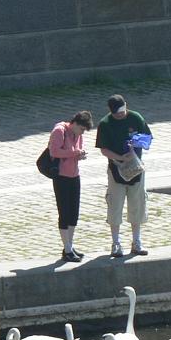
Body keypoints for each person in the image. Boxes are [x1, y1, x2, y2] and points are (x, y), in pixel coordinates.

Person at [95, 94, 152, 257]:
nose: (119, 115)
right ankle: (116, 243)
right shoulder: (105, 124)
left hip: (136, 169)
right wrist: (120, 157)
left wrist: (135, 143)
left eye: (121, 111)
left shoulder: (136, 118)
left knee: (138, 204)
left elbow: (148, 140)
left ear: (126, 105)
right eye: (115, 113)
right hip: (116, 170)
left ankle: (137, 242)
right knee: (115, 206)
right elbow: (103, 149)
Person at [48, 110, 94, 262]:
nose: (82, 132)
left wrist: (79, 155)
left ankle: (70, 245)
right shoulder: (59, 131)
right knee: (64, 211)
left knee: (74, 212)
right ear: (75, 123)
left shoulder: (78, 134)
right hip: (61, 177)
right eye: (81, 129)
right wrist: (74, 153)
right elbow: (54, 151)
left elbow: (73, 152)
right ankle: (66, 249)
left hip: (75, 175)